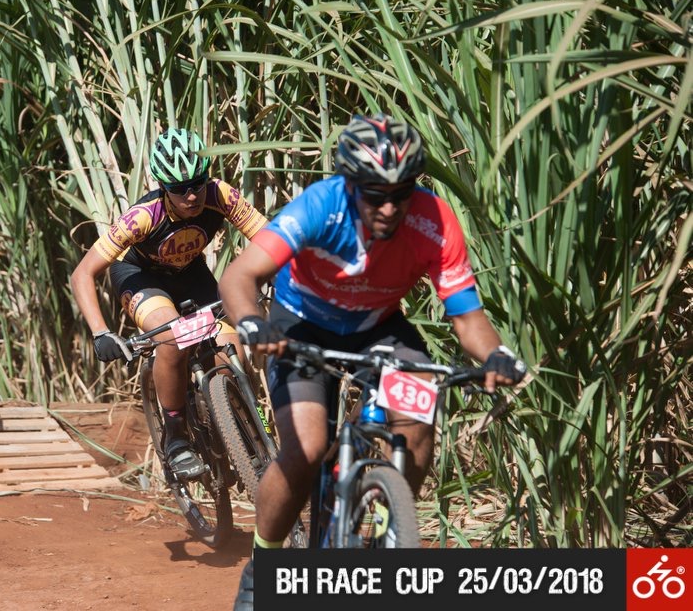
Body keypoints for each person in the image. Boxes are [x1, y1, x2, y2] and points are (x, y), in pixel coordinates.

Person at [218, 113, 528, 608]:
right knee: (306, 449)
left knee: (418, 415)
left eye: (400, 194)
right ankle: (263, 565)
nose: (388, 207)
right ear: (350, 184)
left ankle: (388, 525)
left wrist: (497, 355)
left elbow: (468, 319)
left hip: (378, 326)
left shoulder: (434, 221)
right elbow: (239, 276)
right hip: (300, 323)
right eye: (374, 194)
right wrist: (253, 323)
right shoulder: (321, 205)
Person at [70, 128, 268, 480]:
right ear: (163, 187)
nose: (191, 195)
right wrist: (100, 332)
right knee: (175, 338)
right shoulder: (143, 217)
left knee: (232, 352)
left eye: (197, 183)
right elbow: (82, 273)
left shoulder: (219, 195)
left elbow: (271, 241)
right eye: (179, 189)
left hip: (190, 273)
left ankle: (239, 433)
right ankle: (176, 437)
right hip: (140, 277)